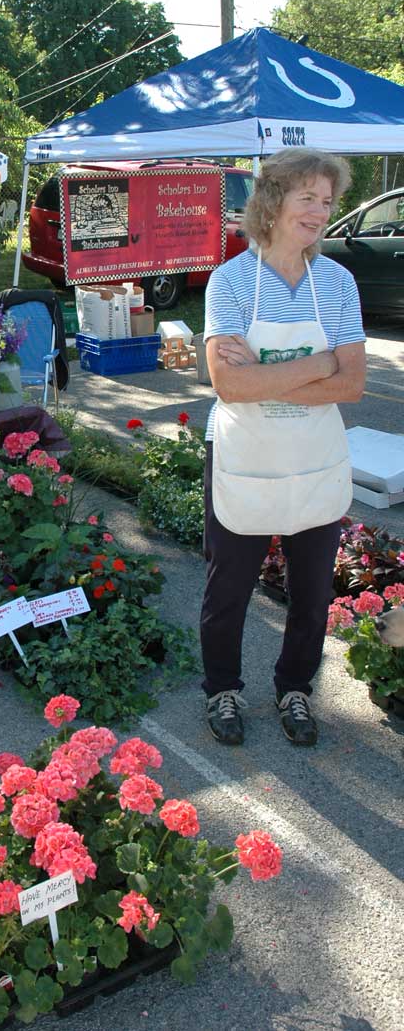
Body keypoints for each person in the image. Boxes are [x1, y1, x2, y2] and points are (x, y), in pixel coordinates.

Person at [200, 148, 366, 747]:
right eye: (308, 199)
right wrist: (318, 364)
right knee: (229, 589)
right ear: (272, 203)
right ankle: (222, 689)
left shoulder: (338, 283)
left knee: (313, 592)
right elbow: (229, 385)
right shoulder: (232, 282)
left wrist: (276, 373)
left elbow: (351, 384)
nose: (320, 212)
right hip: (244, 457)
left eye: (327, 201)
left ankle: (295, 687)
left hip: (314, 459)